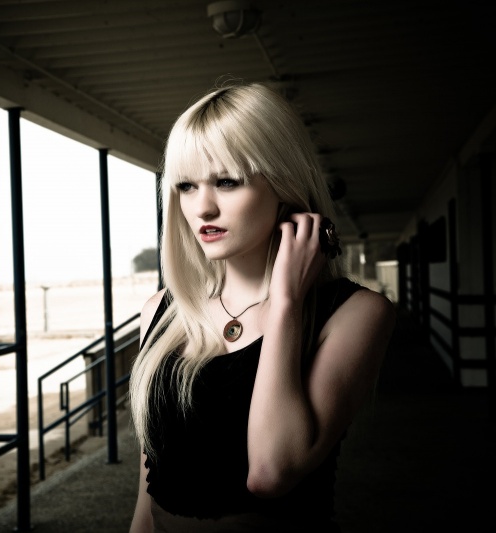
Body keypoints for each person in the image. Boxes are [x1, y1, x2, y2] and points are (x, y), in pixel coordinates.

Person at [128, 82, 396, 532]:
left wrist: (286, 304)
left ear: (285, 185)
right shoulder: (160, 312)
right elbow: (148, 491)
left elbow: (272, 472)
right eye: (187, 186)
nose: (202, 208)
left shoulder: (356, 314)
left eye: (227, 182)